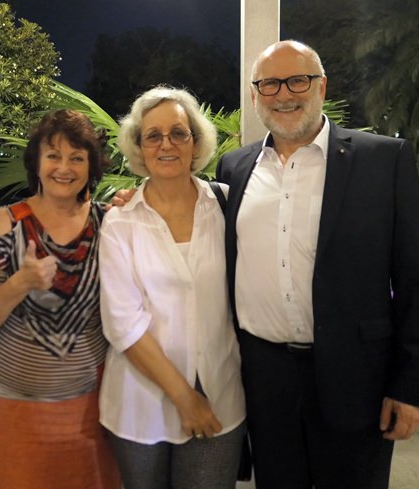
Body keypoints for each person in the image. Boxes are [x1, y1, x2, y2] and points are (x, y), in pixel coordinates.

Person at [216, 40, 419, 489]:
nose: (284, 94)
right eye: (270, 83)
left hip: (358, 377)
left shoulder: (383, 160)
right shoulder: (235, 167)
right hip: (265, 379)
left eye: (297, 79)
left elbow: (417, 281)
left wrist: (411, 388)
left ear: (322, 86)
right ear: (255, 94)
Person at [98, 86, 246, 489]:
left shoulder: (227, 204)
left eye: (178, 133)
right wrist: (186, 399)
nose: (167, 144)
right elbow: (122, 324)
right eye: (154, 135)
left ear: (195, 142)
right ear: (139, 147)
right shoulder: (121, 221)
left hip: (220, 394)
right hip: (139, 405)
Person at [0, 109, 121, 489]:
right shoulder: (9, 220)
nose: (63, 168)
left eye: (77, 157)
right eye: (53, 155)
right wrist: (21, 282)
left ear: (92, 166)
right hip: (10, 407)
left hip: (88, 408)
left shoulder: (112, 222)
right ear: (36, 163)